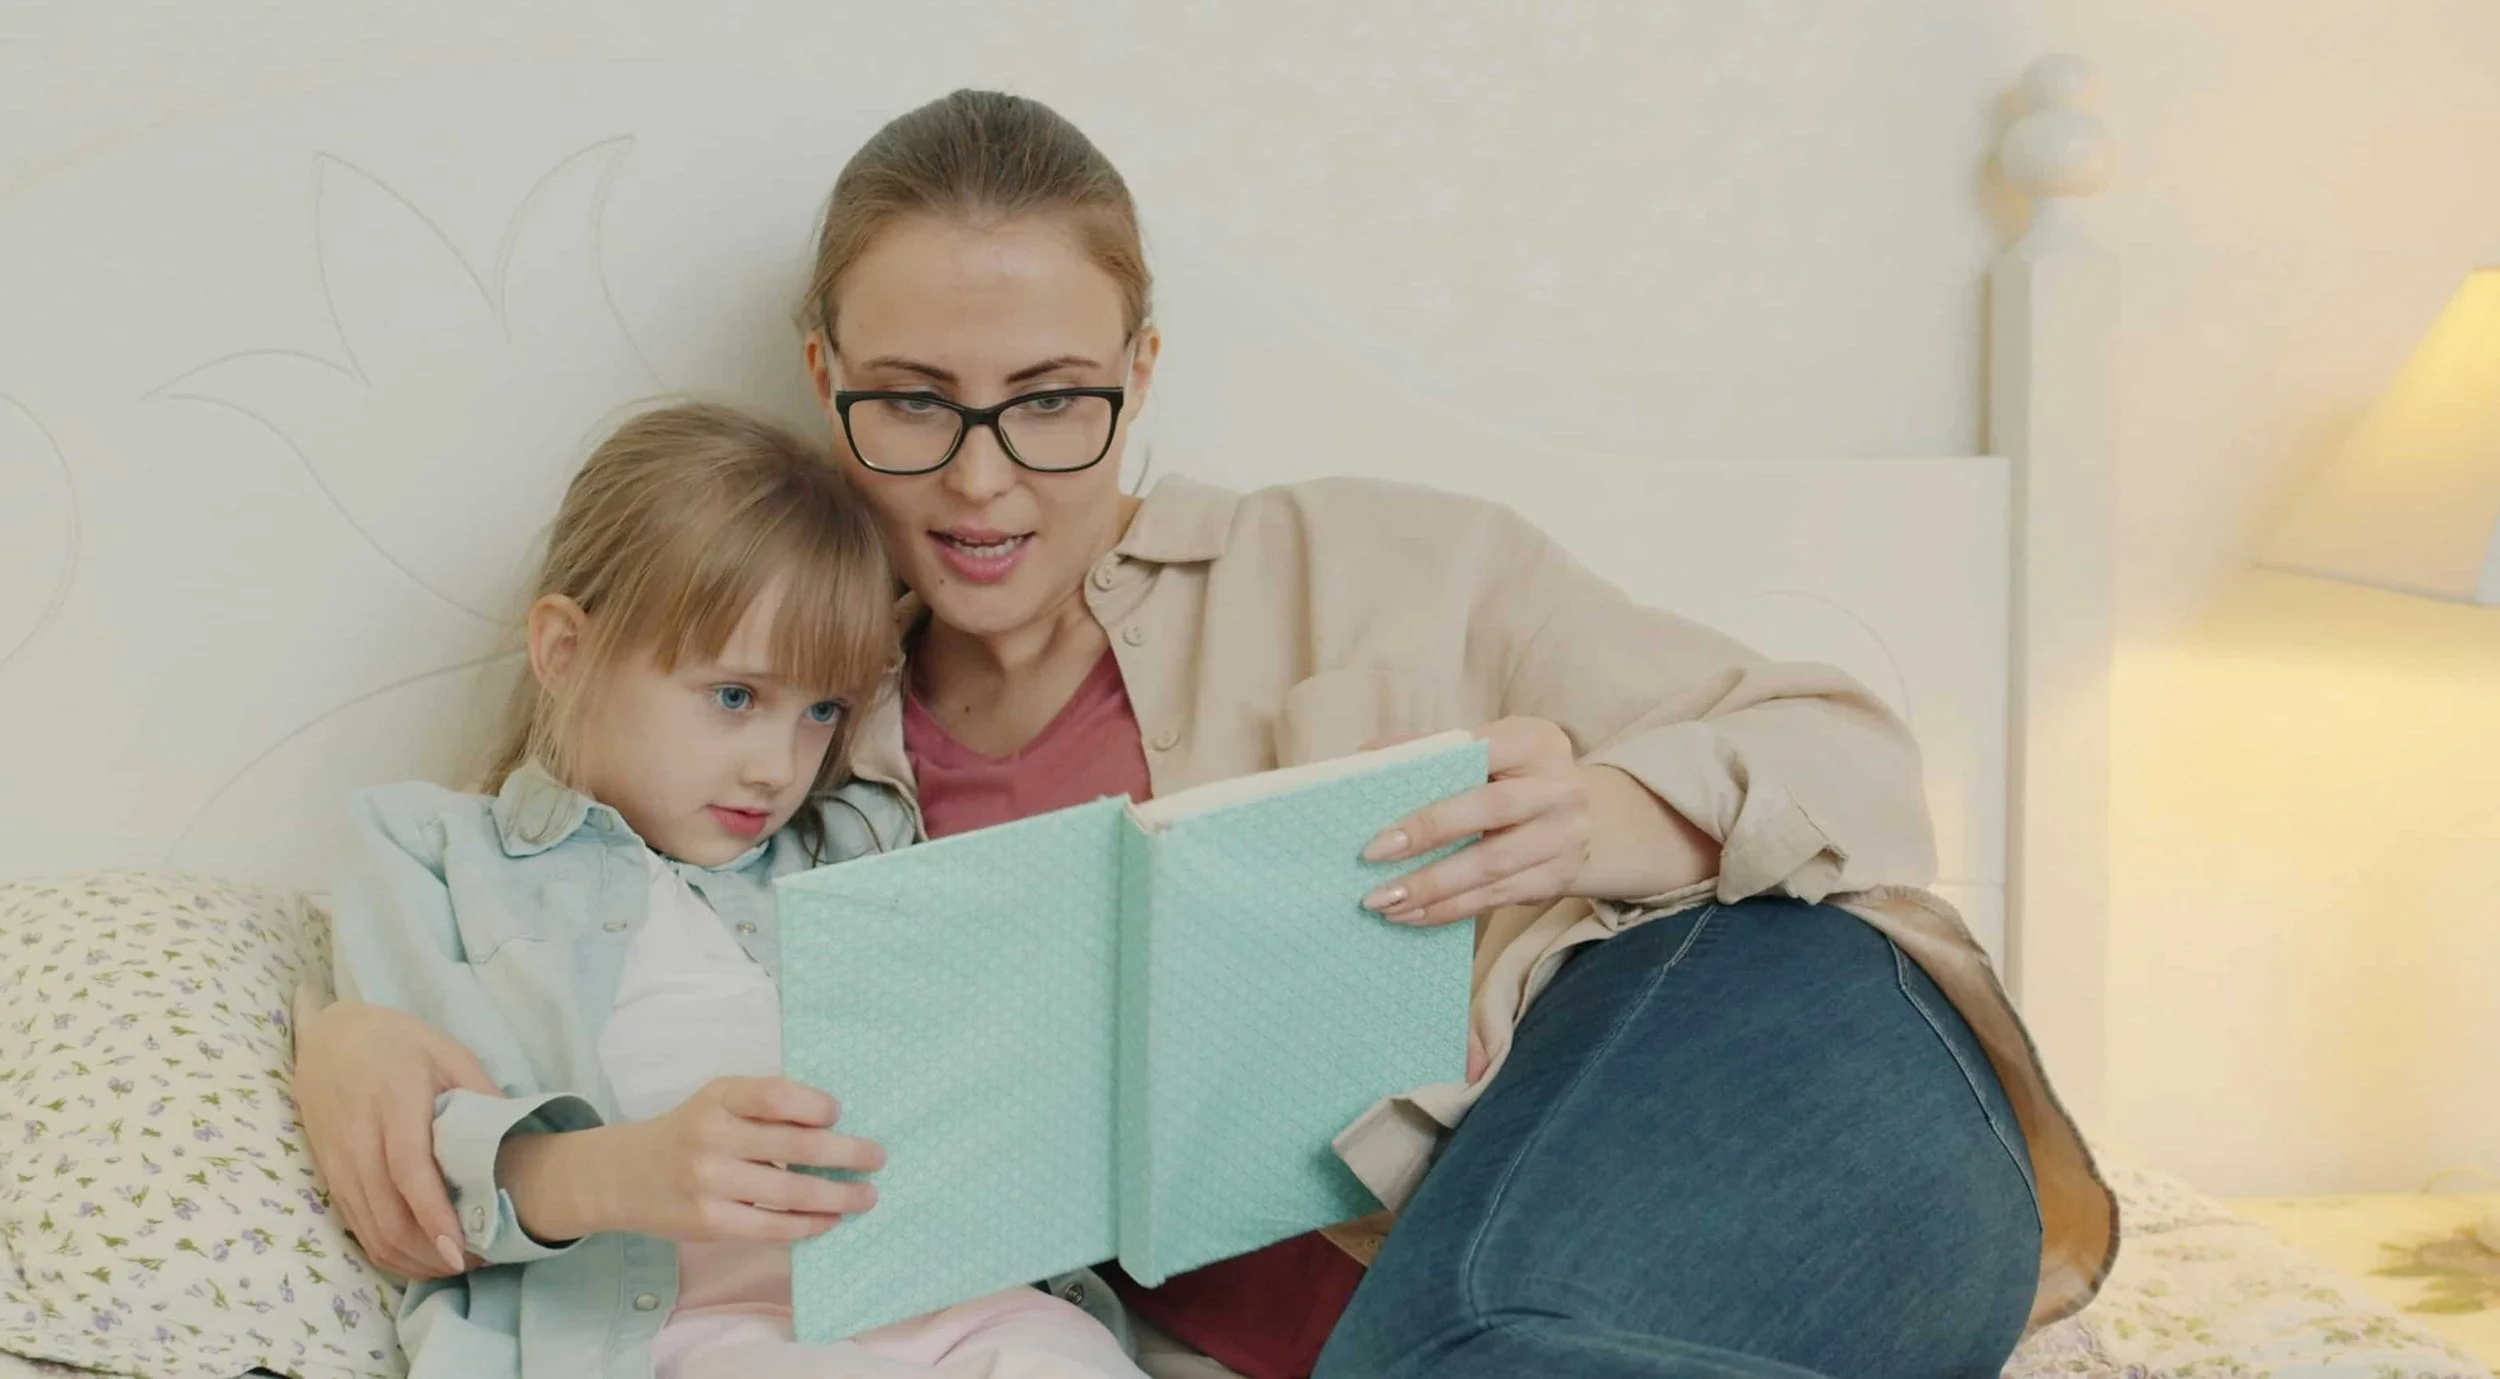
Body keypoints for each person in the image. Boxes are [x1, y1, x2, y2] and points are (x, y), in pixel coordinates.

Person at [295, 92, 2117, 1379]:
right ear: (825, 378)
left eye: (1056, 402)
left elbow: (1857, 758)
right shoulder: (787, 759)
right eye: (916, 405)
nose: (987, 476)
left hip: (1780, 1050)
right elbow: (554, 911)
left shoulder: (1389, 558)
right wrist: (347, 1033)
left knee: (1505, 1302)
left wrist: (1619, 809)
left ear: (1143, 376)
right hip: (1488, 1315)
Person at [323, 402, 1146, 1379]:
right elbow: (408, 1164)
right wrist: (620, 1169)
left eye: (820, 712)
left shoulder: (856, 842)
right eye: (734, 697)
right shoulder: (433, 853)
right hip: (670, 1323)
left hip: (947, 1296)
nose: (775, 765)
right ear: (565, 651)